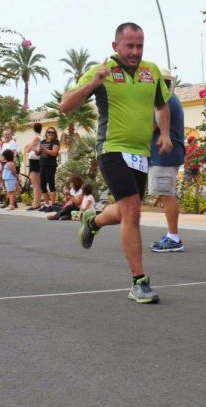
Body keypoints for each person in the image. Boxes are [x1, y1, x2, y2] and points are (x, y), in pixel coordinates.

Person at [60, 22, 172, 304]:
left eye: (139, 46)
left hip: (140, 153)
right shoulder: (102, 71)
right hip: (111, 149)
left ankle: (93, 220)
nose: (135, 52)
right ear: (115, 46)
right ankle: (139, 282)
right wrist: (94, 82)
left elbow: (162, 105)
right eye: (129, 46)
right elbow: (65, 105)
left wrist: (166, 134)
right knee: (133, 211)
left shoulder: (152, 71)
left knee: (126, 212)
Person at [149, 69, 186, 253]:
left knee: (167, 194)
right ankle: (172, 236)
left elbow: (150, 127)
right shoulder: (171, 99)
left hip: (164, 154)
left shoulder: (163, 101)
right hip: (167, 154)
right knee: (166, 194)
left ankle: (174, 237)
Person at [39, 127, 60, 211]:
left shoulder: (55, 142)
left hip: (50, 166)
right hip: (42, 165)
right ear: (46, 133)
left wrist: (44, 149)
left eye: (52, 132)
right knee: (42, 185)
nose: (50, 134)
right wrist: (37, 151)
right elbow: (39, 153)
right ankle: (47, 204)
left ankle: (53, 205)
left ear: (55, 134)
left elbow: (54, 153)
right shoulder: (42, 142)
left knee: (51, 184)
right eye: (49, 132)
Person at [24, 122, 43, 210]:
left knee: (35, 184)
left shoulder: (36, 138)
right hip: (38, 161)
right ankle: (37, 202)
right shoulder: (41, 137)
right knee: (37, 184)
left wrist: (30, 147)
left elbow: (27, 149)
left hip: (34, 161)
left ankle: (36, 204)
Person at [0, 129, 19, 208]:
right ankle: (9, 201)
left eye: (8, 134)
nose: (7, 136)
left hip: (11, 164)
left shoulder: (13, 143)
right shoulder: (4, 144)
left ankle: (12, 203)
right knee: (7, 187)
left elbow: (12, 153)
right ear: (3, 136)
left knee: (12, 188)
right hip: (5, 164)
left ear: (11, 135)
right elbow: (2, 156)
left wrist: (5, 160)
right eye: (5, 134)